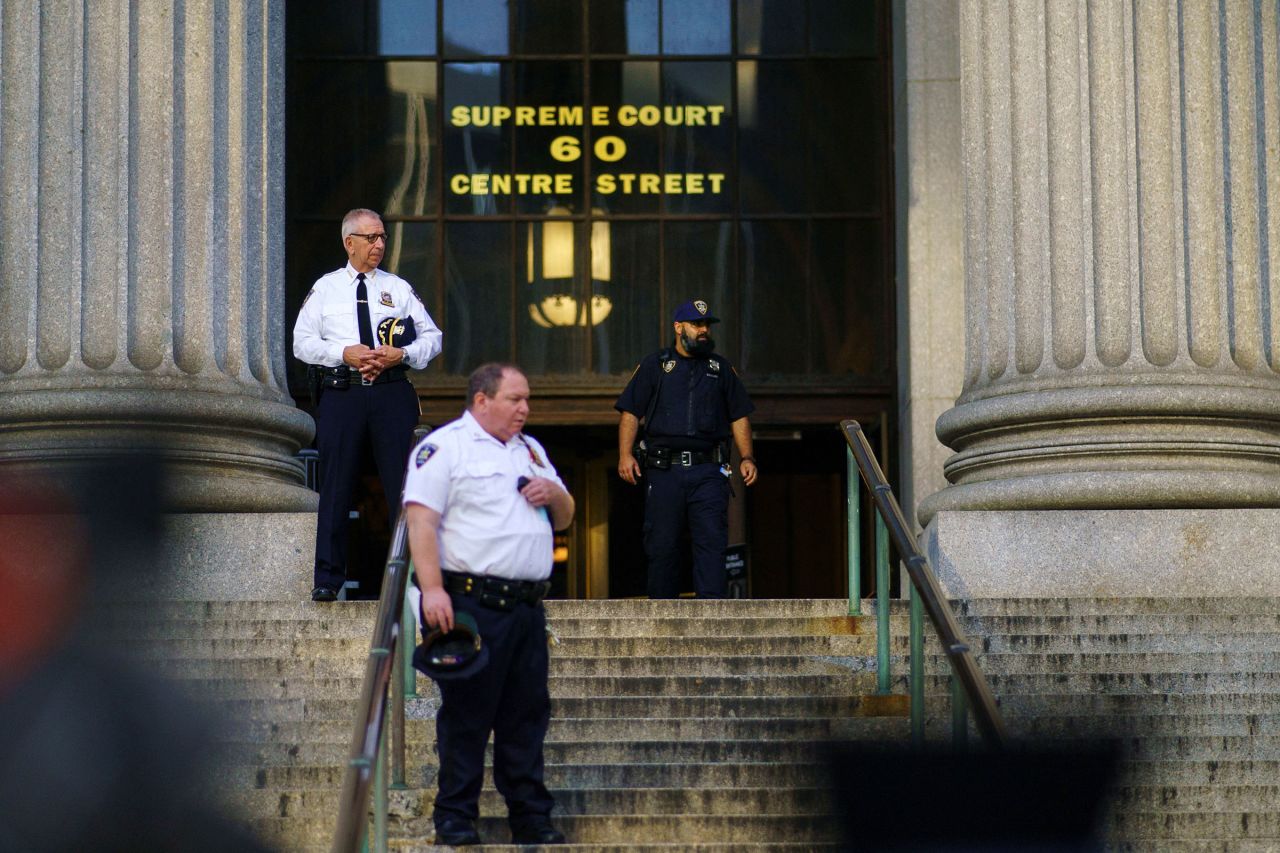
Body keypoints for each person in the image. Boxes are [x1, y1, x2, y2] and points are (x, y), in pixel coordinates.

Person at [403, 363, 574, 847]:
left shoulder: (532, 450)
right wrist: (432, 589)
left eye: (526, 400)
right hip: (472, 603)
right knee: (467, 715)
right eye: (514, 399)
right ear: (482, 400)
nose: (524, 408)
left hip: (526, 608)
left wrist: (555, 494)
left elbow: (566, 517)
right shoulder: (445, 448)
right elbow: (421, 522)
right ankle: (456, 817)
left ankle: (530, 817)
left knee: (526, 715)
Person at [293, 208, 442, 602]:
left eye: (382, 238)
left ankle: (412, 578)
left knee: (403, 485)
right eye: (371, 238)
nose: (379, 245)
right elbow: (301, 343)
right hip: (343, 392)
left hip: (391, 391)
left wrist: (402, 354)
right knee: (336, 484)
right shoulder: (325, 289)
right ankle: (328, 578)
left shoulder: (398, 287)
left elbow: (433, 338)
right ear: (349, 242)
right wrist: (345, 353)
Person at [615, 299, 758, 598]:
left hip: (708, 470)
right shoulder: (655, 365)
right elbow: (630, 412)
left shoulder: (720, 369)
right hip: (664, 470)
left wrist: (746, 457)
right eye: (696, 324)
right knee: (662, 544)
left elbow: (739, 415)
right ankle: (663, 616)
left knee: (711, 542)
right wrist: (624, 454)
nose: (703, 330)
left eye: (706, 325)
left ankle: (712, 617)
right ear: (678, 327)